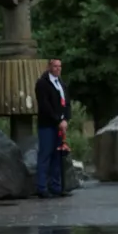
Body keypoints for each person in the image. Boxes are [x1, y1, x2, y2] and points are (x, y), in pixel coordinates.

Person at [34, 59, 72, 197]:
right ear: (49, 67)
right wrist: (58, 120)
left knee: (57, 156)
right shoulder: (42, 83)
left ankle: (56, 186)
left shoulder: (61, 84)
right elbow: (45, 105)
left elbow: (67, 103)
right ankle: (42, 187)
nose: (57, 69)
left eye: (59, 66)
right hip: (47, 125)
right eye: (55, 66)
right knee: (45, 155)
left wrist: (66, 119)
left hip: (60, 125)